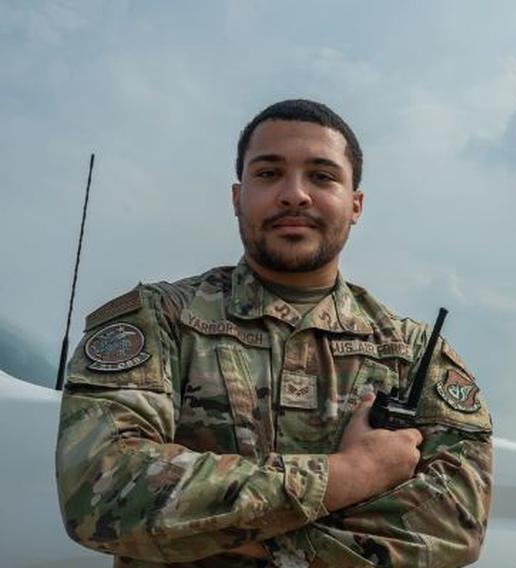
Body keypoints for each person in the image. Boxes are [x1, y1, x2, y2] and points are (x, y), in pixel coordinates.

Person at [55, 99, 493, 568]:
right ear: (237, 196)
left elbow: (452, 525)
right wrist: (352, 473)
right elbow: (101, 492)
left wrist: (255, 545)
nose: (294, 195)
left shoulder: (413, 354)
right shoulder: (159, 319)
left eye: (322, 176)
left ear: (356, 204)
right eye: (268, 174)